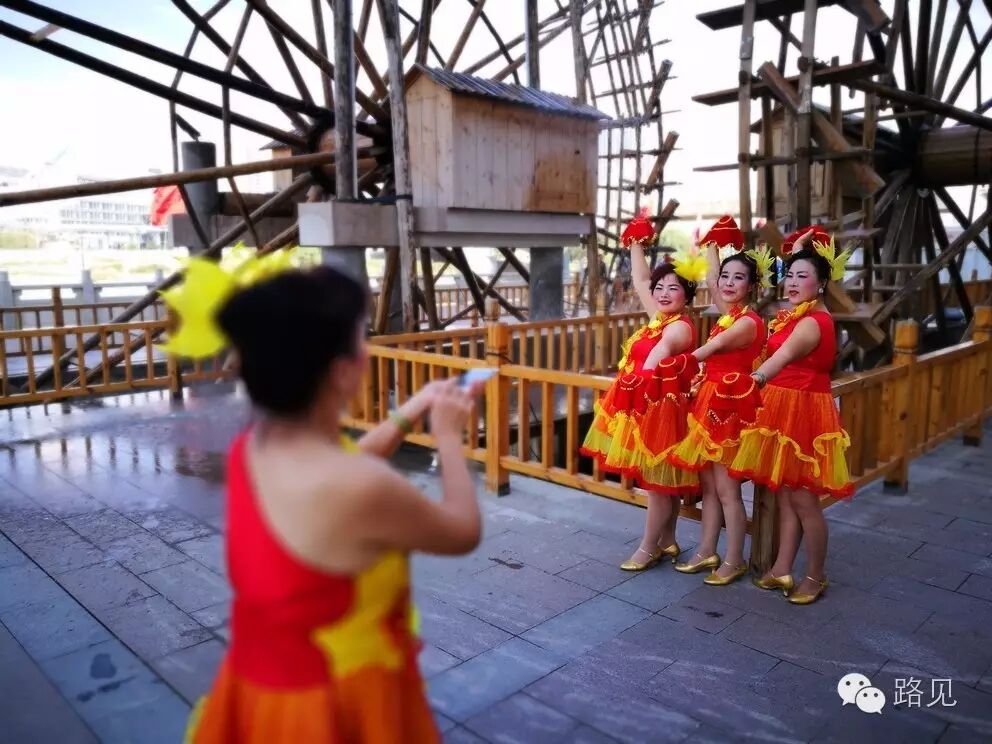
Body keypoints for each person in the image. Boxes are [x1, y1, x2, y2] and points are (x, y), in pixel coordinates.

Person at [164, 255, 482, 743]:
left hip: (259, 691)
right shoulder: (361, 488)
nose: (366, 351)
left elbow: (345, 465)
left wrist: (412, 410)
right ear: (341, 372)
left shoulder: (251, 449)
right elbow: (462, 530)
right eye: (360, 340)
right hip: (332, 703)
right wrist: (448, 438)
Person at [727, 227, 854, 605]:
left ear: (822, 283)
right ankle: (782, 568)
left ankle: (815, 575)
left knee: (804, 502)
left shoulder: (814, 322)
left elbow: (780, 358)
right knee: (785, 495)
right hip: (782, 405)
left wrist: (755, 380)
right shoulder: (800, 314)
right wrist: (800, 248)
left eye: (803, 276)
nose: (792, 282)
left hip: (803, 411)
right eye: (790, 275)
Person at [580, 207, 705, 571]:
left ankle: (647, 548)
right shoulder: (660, 318)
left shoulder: (678, 327)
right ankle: (667, 541)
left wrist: (635, 389)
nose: (663, 293)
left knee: (657, 485)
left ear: (687, 295)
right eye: (660, 288)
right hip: (649, 403)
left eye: (673, 288)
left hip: (659, 408)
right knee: (662, 482)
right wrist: (636, 241)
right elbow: (640, 280)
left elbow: (656, 359)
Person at [661, 216, 772, 586]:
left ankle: (735, 559)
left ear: (752, 285)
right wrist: (712, 244)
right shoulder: (730, 314)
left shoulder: (748, 322)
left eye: (738, 278)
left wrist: (683, 361)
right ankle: (707, 551)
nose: (727, 283)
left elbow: (714, 347)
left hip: (728, 407)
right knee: (708, 487)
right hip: (709, 401)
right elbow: (710, 281)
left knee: (727, 490)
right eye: (726, 276)